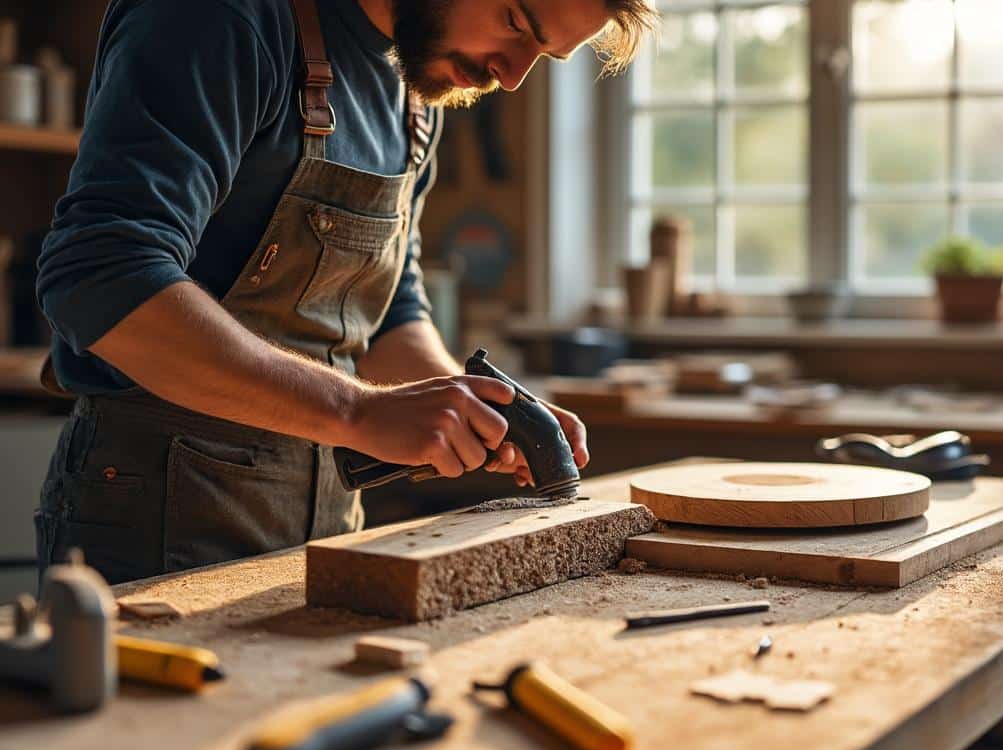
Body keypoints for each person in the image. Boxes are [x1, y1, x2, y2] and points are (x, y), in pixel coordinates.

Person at [33, 0, 658, 584]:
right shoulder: (221, 18)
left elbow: (387, 314)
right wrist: (359, 413)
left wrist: (474, 411)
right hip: (153, 509)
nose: (514, 76)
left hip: (324, 517)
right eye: (517, 23)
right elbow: (103, 273)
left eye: (543, 57)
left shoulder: (415, 84)